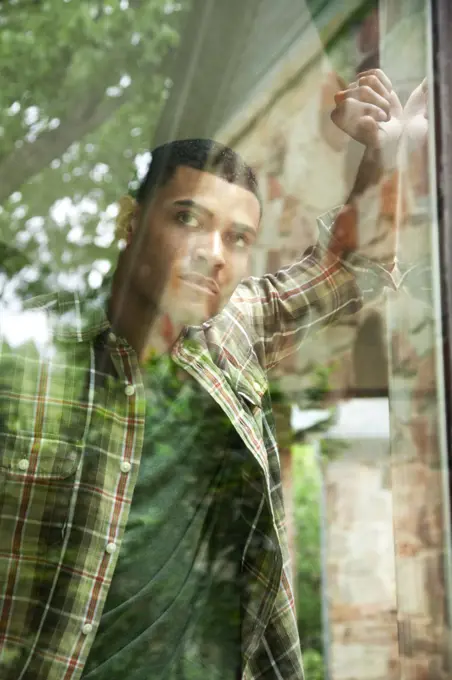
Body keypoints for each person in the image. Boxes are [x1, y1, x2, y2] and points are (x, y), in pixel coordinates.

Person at [0, 69, 416, 680]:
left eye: (238, 237)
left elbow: (349, 266)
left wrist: (377, 153)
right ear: (129, 224)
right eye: (189, 220)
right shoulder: (28, 359)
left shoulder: (233, 332)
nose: (214, 253)